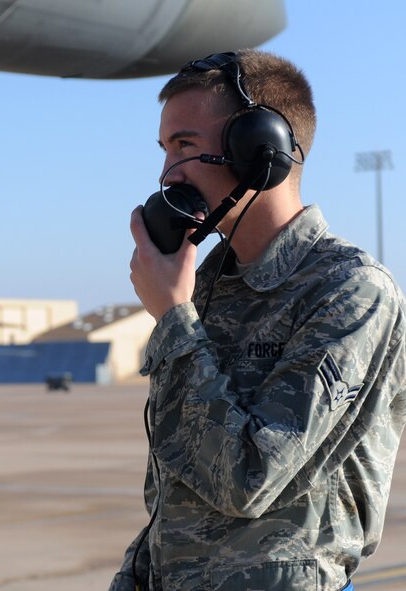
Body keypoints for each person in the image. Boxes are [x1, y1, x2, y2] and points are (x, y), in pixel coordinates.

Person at [109, 49, 406, 591]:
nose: (166, 173)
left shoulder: (351, 291)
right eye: (165, 149)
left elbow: (250, 477)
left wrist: (174, 318)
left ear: (258, 152)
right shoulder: (205, 285)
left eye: (185, 147)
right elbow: (174, 493)